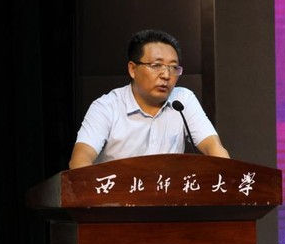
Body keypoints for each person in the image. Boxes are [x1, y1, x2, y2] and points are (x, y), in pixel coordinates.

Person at [68, 29, 229, 169]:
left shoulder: (182, 100)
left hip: (168, 193)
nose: (166, 75)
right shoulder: (106, 107)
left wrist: (227, 180)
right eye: (156, 66)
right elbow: (80, 159)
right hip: (117, 193)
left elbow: (214, 147)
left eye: (173, 67)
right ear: (133, 69)